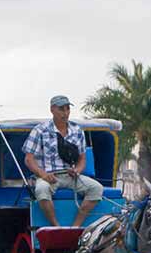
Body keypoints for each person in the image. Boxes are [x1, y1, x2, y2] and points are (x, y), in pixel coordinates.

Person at [22, 95, 105, 227]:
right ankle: (56, 226)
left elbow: (82, 159)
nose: (65, 113)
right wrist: (43, 174)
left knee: (96, 188)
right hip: (49, 176)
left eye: (67, 109)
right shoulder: (40, 130)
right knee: (41, 190)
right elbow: (28, 159)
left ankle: (75, 226)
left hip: (70, 175)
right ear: (52, 110)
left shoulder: (77, 131)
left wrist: (77, 170)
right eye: (61, 109)